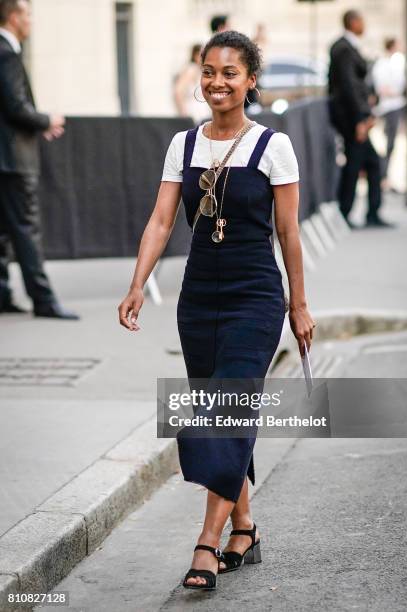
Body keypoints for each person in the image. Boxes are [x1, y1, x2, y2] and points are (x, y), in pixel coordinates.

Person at [118, 31, 315, 591]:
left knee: (227, 409)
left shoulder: (273, 146)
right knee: (217, 413)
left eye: (230, 72)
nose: (216, 82)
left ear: (251, 80)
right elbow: (161, 221)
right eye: (209, 71)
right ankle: (244, 526)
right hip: (197, 297)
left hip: (255, 295)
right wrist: (138, 284)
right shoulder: (183, 145)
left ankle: (205, 543)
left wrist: (297, 305)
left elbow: (288, 231)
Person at [0, 0, 79, 318]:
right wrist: (47, 120)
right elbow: (16, 106)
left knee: (4, 232)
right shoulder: (7, 53)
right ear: (15, 17)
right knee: (26, 230)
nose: (31, 21)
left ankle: (3, 295)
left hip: (5, 157)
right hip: (13, 160)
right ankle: (43, 299)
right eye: (29, 14)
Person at [328, 9, 394, 228]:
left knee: (369, 163)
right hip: (351, 120)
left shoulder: (348, 46)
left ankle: (367, 212)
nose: (364, 25)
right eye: (362, 21)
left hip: (355, 118)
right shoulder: (344, 48)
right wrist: (360, 119)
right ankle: (346, 213)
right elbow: (348, 87)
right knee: (356, 165)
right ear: (353, 22)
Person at [372, 37, 406, 188]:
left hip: (396, 104)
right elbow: (383, 87)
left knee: (392, 144)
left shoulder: (397, 62)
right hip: (388, 106)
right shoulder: (384, 64)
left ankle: (385, 174)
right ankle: (383, 175)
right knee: (388, 142)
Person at [173, 43, 210, 124]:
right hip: (193, 113)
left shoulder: (201, 71)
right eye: (201, 55)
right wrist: (183, 113)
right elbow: (178, 91)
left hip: (202, 114)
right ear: (195, 55)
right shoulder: (191, 69)